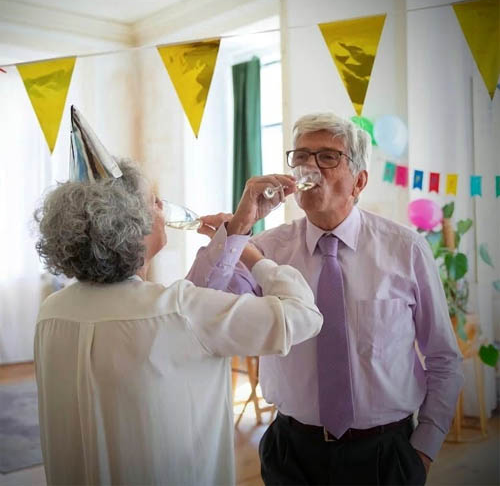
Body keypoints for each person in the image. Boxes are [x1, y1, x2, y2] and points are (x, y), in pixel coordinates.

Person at [187, 112, 464, 485]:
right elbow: (203, 312)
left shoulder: (406, 250)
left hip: (385, 454)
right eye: (301, 156)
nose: (309, 167)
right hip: (292, 454)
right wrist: (239, 226)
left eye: (327, 157)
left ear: (359, 181)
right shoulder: (265, 248)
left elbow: (443, 357)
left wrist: (422, 451)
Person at [33, 158, 323, 486]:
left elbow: (193, 308)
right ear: (130, 223)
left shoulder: (52, 312)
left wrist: (236, 231)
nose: (162, 206)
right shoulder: (178, 310)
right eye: (153, 201)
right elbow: (302, 316)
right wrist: (252, 254)